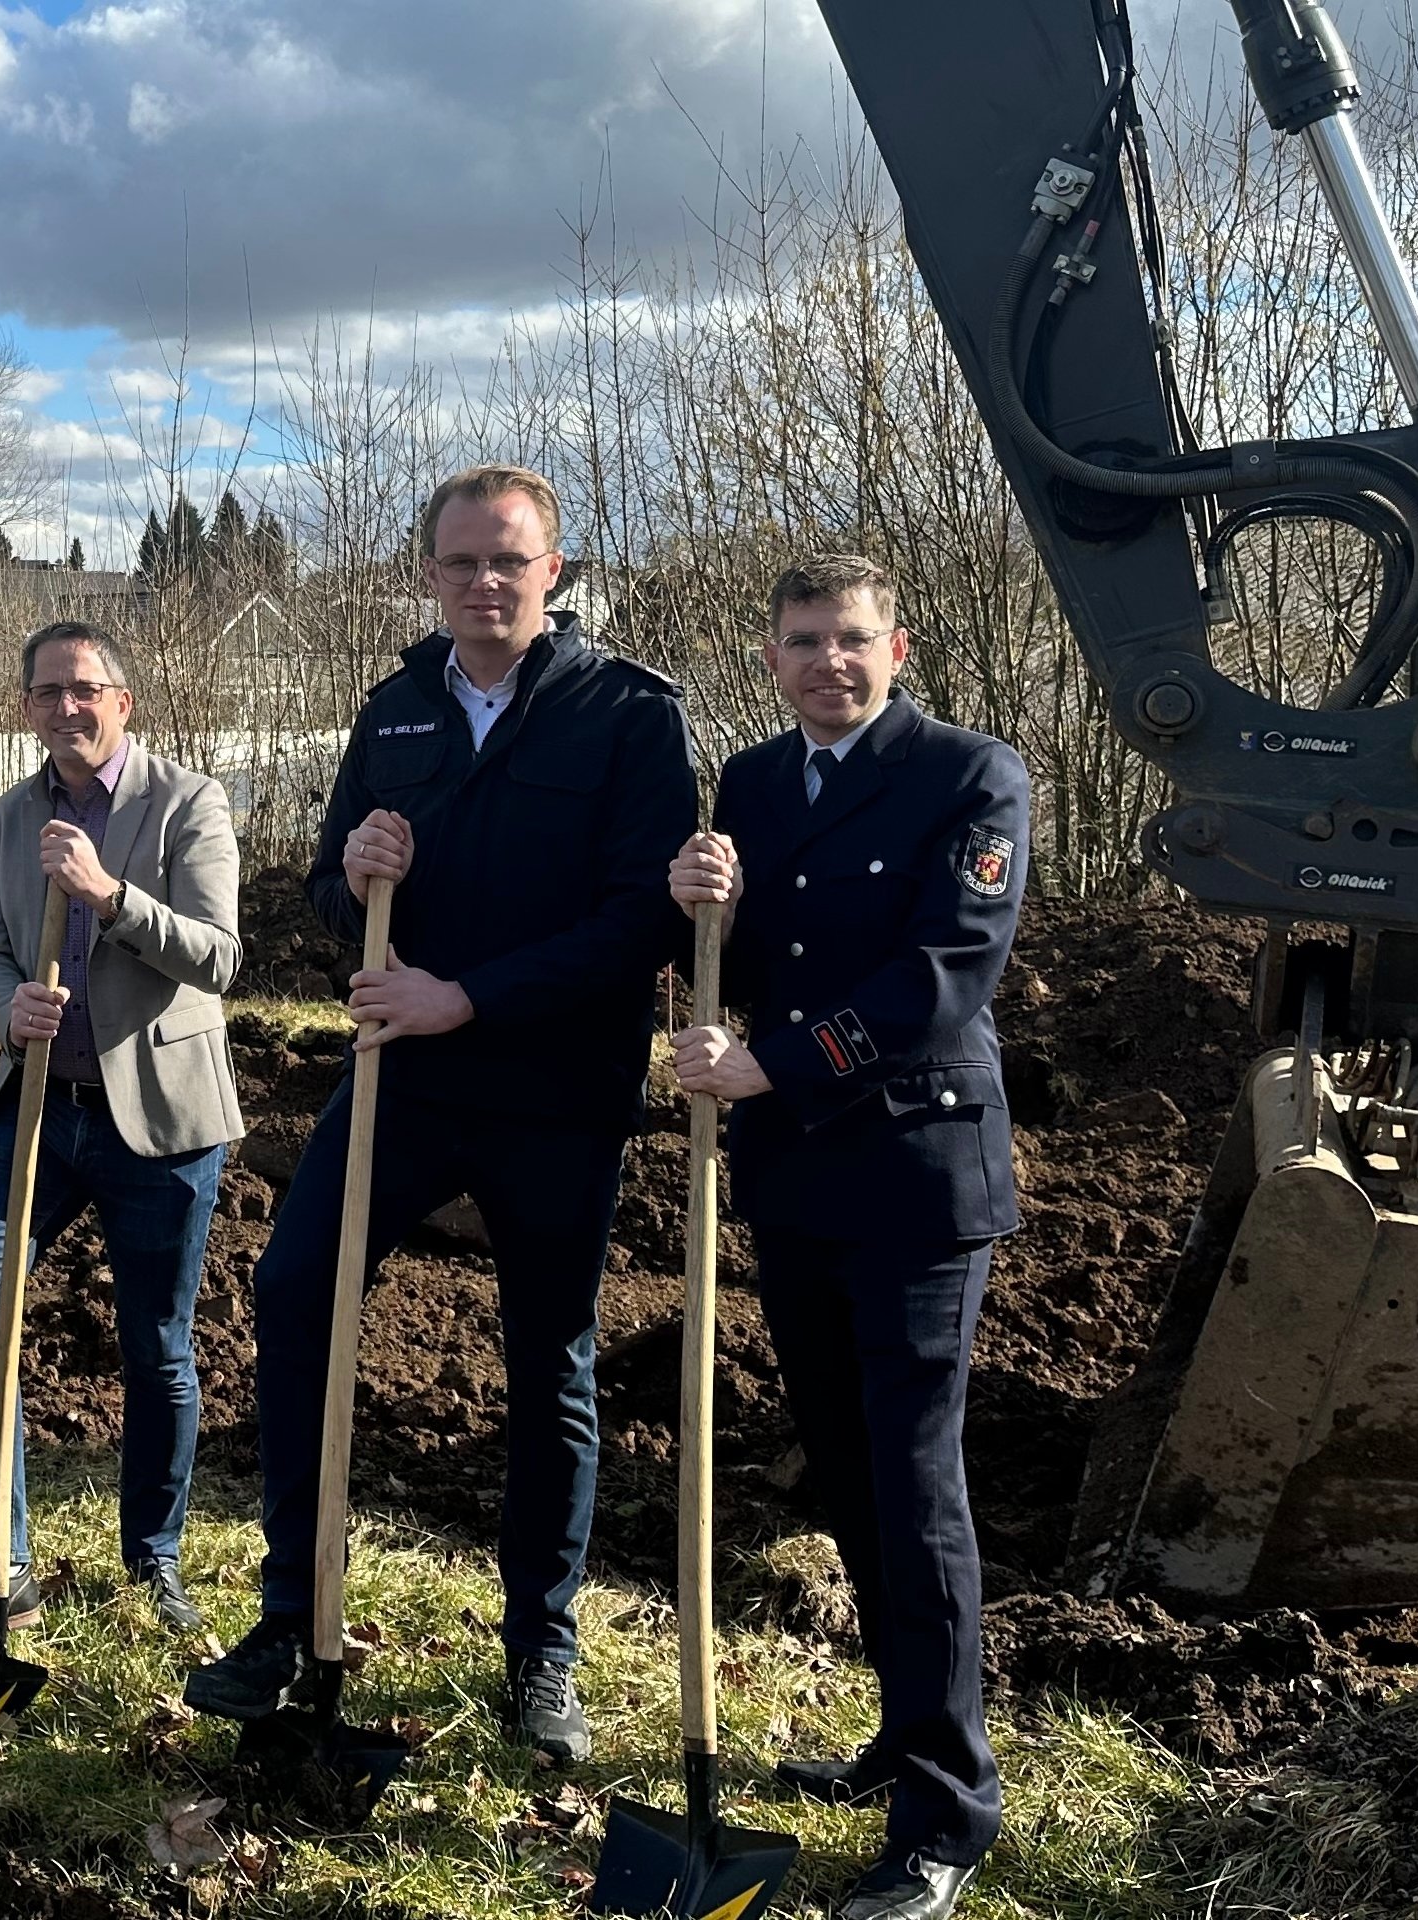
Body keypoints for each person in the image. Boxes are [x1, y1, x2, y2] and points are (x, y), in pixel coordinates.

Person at [181, 463, 696, 1766]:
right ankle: (294, 1614)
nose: (484, 583)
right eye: (461, 561)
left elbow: (643, 917)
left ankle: (543, 1656)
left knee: (551, 1364)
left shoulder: (628, 715)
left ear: (555, 573)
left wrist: (467, 996)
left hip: (557, 1095)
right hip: (403, 1082)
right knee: (296, 1293)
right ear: (429, 572)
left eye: (509, 562)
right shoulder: (395, 710)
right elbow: (323, 884)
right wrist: (347, 879)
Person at [667, 555, 1025, 1920]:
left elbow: (946, 976)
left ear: (901, 648)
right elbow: (749, 965)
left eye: (853, 641)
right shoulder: (754, 787)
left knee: (917, 1488)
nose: (829, 662)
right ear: (770, 657)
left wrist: (775, 1064)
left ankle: (947, 1811)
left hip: (917, 1181)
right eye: (804, 641)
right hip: (796, 1183)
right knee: (856, 1474)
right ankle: (899, 1736)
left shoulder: (971, 776)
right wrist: (699, 902)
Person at [0, 619, 243, 1651]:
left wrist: (110, 897)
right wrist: (7, 1012)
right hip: (41, 1108)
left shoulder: (190, 802)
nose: (67, 709)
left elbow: (221, 958)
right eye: (47, 693)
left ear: (121, 701)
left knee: (157, 1347)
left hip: (162, 1117)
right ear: (25, 708)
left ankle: (157, 1559)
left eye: (85, 689)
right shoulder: (8, 819)